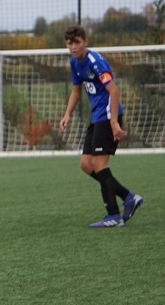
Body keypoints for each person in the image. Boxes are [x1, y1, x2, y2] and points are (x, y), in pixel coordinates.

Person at [59, 25, 144, 228]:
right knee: (86, 164)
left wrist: (114, 122)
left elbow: (114, 92)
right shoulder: (74, 62)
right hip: (97, 117)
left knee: (99, 164)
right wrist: (67, 114)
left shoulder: (95, 62)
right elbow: (76, 91)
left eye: (77, 42)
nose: (73, 47)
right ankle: (128, 197)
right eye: (70, 43)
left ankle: (113, 216)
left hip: (107, 115)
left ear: (85, 42)